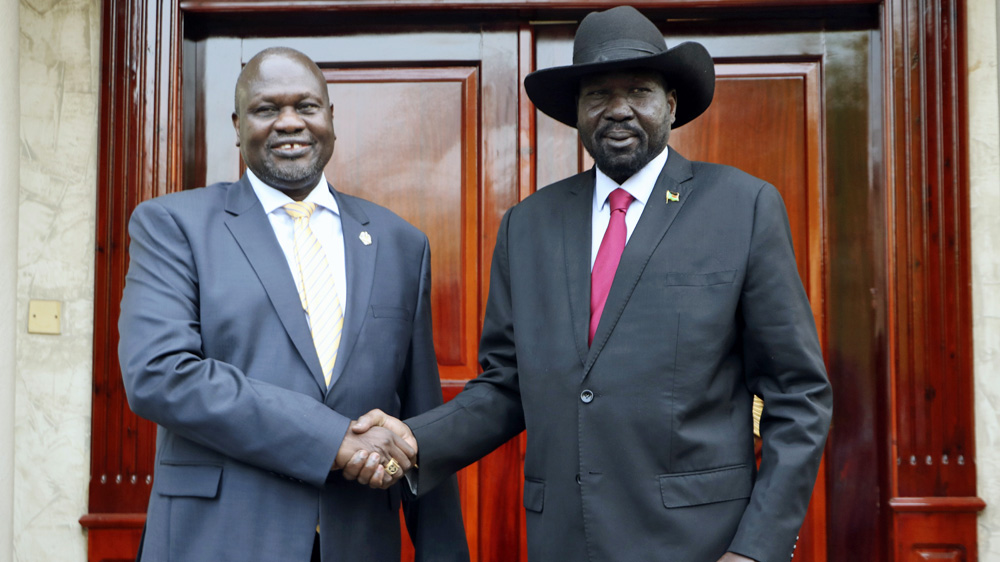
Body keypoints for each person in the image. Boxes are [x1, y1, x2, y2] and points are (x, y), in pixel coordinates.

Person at [349, 6, 832, 562]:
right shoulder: (527, 225)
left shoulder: (743, 207)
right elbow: (507, 385)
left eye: (639, 90)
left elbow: (799, 396)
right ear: (577, 111)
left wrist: (756, 550)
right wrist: (411, 441)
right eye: (598, 94)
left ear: (670, 106)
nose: (618, 109)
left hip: (703, 544)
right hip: (564, 541)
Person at [118, 47, 469, 562]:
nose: (289, 123)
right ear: (238, 127)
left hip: (360, 540)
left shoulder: (400, 243)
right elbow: (159, 374)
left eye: (306, 106)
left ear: (331, 120)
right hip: (217, 538)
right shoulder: (173, 226)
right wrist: (333, 440)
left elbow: (418, 415)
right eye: (266, 109)